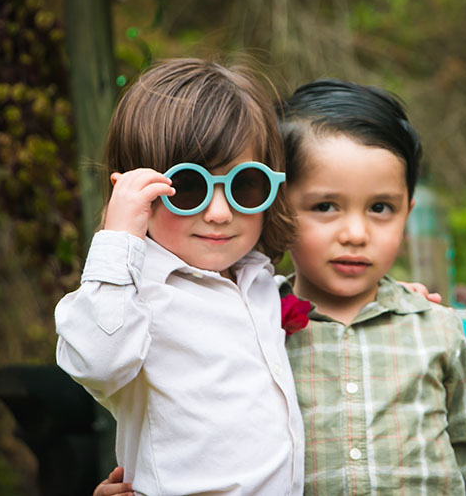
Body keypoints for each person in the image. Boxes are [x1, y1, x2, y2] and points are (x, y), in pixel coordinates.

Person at [93, 78, 466, 496]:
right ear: (275, 203)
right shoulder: (252, 322)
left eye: (380, 207)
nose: (355, 234)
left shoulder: (434, 328)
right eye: (325, 206)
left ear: (408, 211)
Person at [55, 59, 304, 496]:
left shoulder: (260, 281)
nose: (220, 213)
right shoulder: (132, 296)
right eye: (188, 188)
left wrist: (407, 298)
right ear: (135, 194)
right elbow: (96, 363)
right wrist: (118, 238)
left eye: (245, 185)